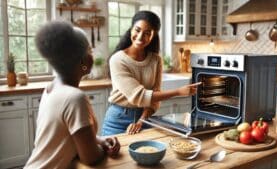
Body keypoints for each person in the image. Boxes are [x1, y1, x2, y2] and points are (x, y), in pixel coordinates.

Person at [24, 21, 120, 169]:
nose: (92, 55)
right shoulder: (75, 98)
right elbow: (90, 158)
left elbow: (63, 135)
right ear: (84, 61)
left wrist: (99, 140)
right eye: (90, 51)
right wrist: (104, 151)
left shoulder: (51, 87)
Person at [102, 11, 201, 136]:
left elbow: (154, 98)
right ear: (131, 30)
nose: (140, 36)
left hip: (145, 119)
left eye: (147, 33)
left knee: (147, 154)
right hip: (117, 121)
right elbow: (140, 96)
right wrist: (178, 92)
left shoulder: (156, 60)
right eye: (137, 30)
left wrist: (141, 120)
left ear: (153, 36)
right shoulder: (117, 60)